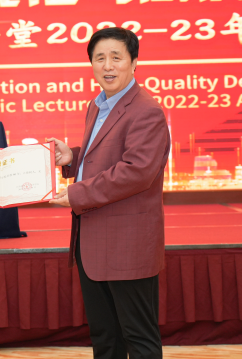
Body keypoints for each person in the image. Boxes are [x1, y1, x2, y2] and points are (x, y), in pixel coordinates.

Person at [49, 27, 170, 359]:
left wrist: (77, 194)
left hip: (127, 244)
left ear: (134, 62)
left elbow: (136, 172)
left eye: (116, 57)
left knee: (138, 338)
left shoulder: (146, 110)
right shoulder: (97, 105)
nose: (107, 66)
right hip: (93, 243)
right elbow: (102, 159)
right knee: (105, 338)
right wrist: (72, 158)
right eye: (99, 58)